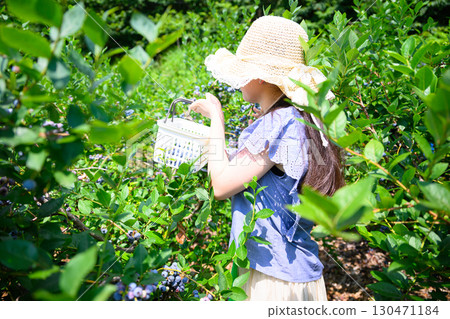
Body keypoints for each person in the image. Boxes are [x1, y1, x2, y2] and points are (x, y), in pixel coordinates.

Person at [188, 15, 345, 301]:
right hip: (296, 273)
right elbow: (250, 171)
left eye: (242, 72)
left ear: (260, 77)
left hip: (274, 281)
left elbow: (221, 186)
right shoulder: (302, 118)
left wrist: (216, 119)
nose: (238, 83)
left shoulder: (277, 124)